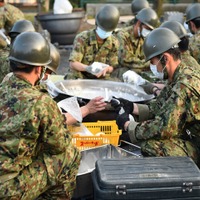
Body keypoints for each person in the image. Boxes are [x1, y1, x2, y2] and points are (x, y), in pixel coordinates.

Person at [0, 32, 81, 199]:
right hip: (7, 189)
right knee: (69, 155)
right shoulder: (41, 101)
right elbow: (59, 145)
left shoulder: (5, 83)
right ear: (39, 68)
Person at [111, 27, 200, 166]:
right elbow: (162, 106)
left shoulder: (184, 85)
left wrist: (129, 126)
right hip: (191, 135)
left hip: (196, 144)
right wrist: (132, 107)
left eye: (153, 62)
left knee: (151, 145)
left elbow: (164, 127)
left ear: (165, 58)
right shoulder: (180, 75)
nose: (153, 68)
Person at [39, 43, 107, 125]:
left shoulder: (38, 83)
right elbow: (55, 122)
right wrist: (87, 109)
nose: (47, 76)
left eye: (49, 73)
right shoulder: (30, 94)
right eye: (46, 72)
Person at [67, 4, 120, 80]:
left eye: (108, 31)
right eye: (103, 29)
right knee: (72, 76)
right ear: (97, 24)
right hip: (83, 76)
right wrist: (88, 68)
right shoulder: (82, 38)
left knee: (118, 80)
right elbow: (73, 63)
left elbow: (114, 66)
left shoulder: (114, 42)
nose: (105, 32)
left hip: (102, 77)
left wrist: (107, 69)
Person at [116, 7, 159, 80]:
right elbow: (125, 60)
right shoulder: (123, 35)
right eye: (147, 29)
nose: (148, 32)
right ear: (139, 23)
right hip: (121, 72)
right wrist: (149, 64)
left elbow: (146, 57)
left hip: (137, 70)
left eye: (150, 30)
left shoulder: (143, 38)